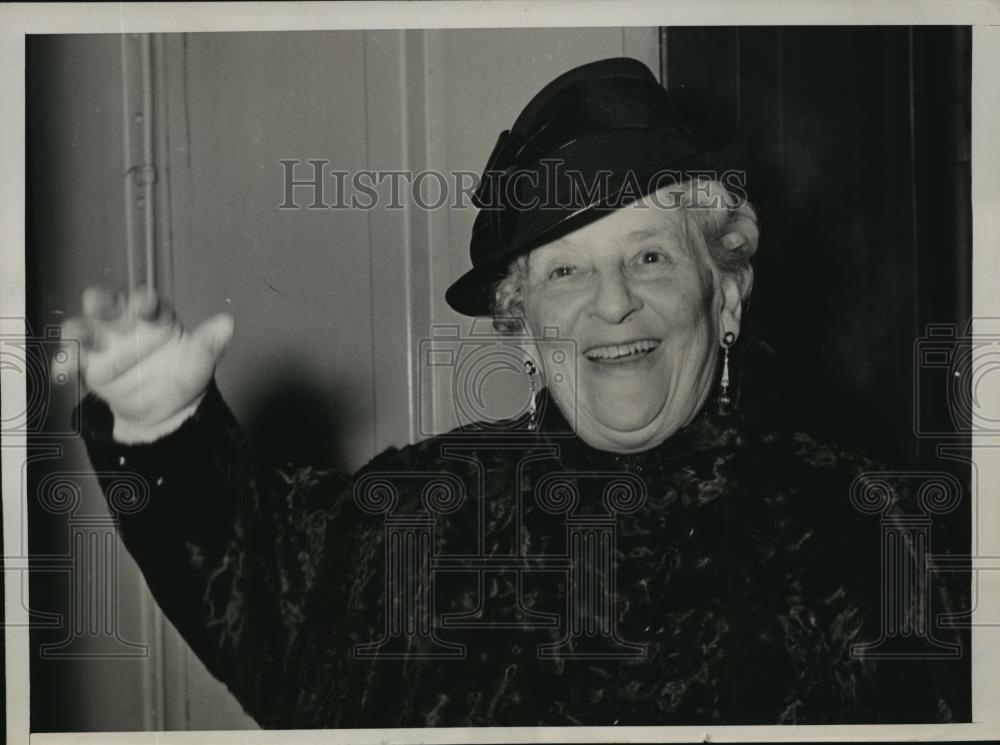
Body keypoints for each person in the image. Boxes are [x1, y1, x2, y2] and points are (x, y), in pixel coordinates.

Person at [57, 57, 969, 727]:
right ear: (525, 325)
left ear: (724, 294)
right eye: (566, 269)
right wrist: (162, 423)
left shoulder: (865, 530)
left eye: (650, 255)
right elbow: (267, 595)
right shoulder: (423, 515)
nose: (612, 303)